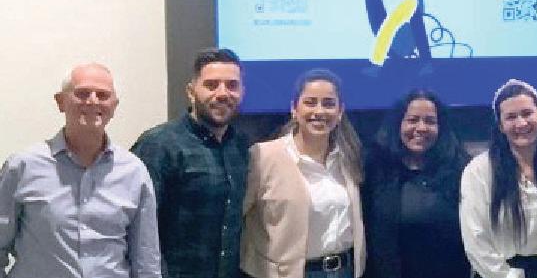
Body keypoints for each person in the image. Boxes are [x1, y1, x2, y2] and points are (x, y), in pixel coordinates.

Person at [0, 63, 161, 278]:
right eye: (82, 93)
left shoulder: (134, 172)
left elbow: (146, 262)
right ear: (61, 102)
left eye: (103, 95)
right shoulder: (23, 167)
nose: (93, 101)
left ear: (114, 106)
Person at [132, 47, 249, 278]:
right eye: (211, 85)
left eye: (232, 85)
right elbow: (138, 226)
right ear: (191, 91)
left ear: (242, 92)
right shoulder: (159, 145)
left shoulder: (241, 146)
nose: (223, 93)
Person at [241, 69, 366, 278]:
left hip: (344, 271)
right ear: (294, 108)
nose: (319, 111)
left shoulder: (348, 157)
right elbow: (237, 218)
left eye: (328, 104)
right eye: (310, 102)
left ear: (340, 111)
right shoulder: (263, 156)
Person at [459, 79, 537, 278]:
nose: (521, 123)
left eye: (527, 113)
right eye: (511, 117)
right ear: (500, 125)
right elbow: (475, 238)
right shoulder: (479, 171)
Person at [362, 89, 470, 278]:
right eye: (412, 120)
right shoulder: (373, 169)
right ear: (398, 124)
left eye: (430, 121)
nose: (421, 128)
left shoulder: (462, 171)